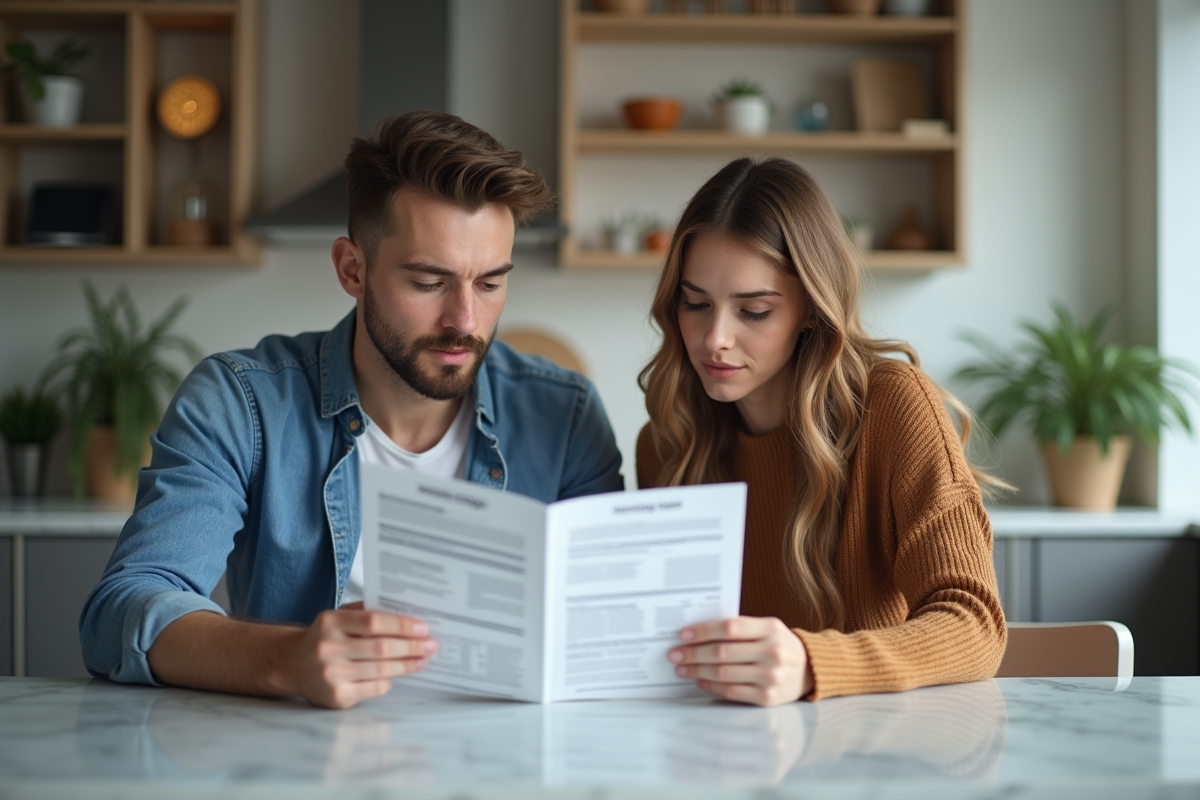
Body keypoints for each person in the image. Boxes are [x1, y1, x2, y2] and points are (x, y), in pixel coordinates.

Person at [80, 111, 624, 709]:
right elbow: (122, 609)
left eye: (490, 283)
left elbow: (608, 623)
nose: (465, 322)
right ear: (352, 269)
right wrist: (285, 660)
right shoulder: (242, 403)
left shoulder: (566, 415)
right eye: (428, 282)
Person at [636, 157, 1006, 706]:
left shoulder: (894, 406)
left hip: (875, 760)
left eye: (754, 311)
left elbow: (975, 625)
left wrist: (812, 664)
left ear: (810, 308)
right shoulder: (667, 441)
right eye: (695, 304)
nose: (714, 338)